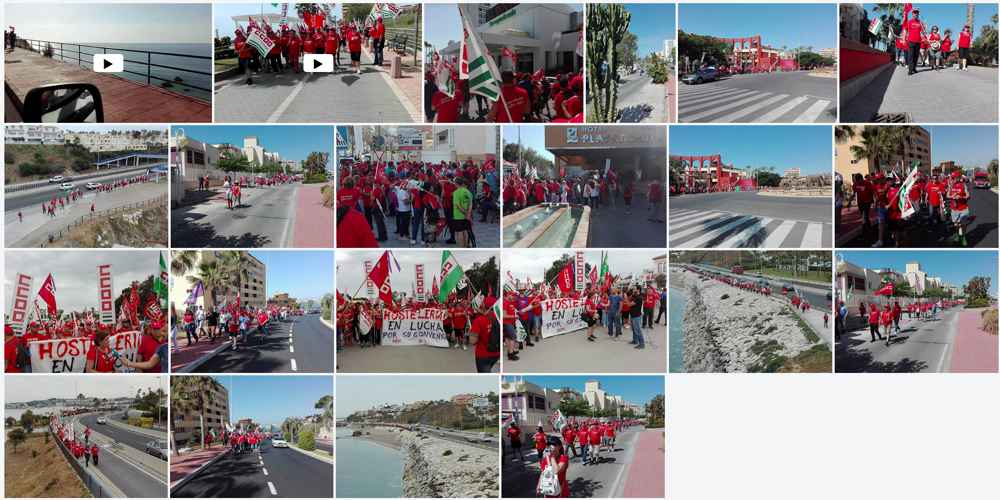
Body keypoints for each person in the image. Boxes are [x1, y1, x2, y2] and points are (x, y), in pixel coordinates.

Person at [469, 298, 500, 373]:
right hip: (496, 353)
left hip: (483, 355)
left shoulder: (479, 320)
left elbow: (472, 341)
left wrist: (471, 332)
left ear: (483, 306)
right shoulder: (499, 318)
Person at [452, 177, 473, 247]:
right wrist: (468, 214)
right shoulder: (468, 192)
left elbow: (458, 206)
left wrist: (465, 213)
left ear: (456, 184)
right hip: (467, 216)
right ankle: (466, 245)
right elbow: (470, 204)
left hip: (458, 216)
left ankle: (462, 247)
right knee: (466, 231)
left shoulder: (456, 193)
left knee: (460, 232)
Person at [902, 7, 924, 76]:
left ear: (918, 14)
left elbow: (922, 32)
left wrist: (923, 37)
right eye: (914, 12)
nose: (916, 14)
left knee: (916, 56)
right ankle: (910, 70)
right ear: (912, 14)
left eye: (917, 12)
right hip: (911, 41)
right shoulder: (909, 22)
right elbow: (905, 30)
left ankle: (914, 68)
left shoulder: (920, 22)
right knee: (911, 55)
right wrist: (903, 39)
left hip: (918, 41)